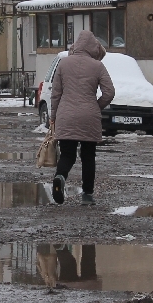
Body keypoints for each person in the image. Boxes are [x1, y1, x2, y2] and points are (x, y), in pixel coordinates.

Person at [50, 30, 115, 205]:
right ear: (93, 47)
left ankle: (60, 177)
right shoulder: (97, 66)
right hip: (89, 116)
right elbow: (109, 92)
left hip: (66, 115)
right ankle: (87, 194)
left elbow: (55, 94)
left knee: (67, 155)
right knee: (88, 156)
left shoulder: (63, 64)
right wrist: (96, 106)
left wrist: (53, 116)